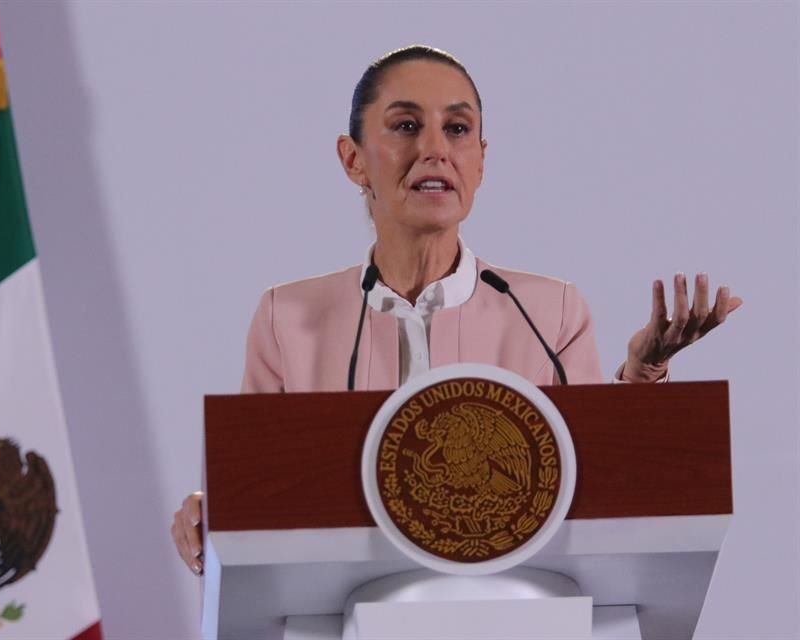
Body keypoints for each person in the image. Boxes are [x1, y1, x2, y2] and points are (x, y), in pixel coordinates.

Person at [170, 45, 742, 575]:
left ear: (480, 162)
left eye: (457, 129)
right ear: (353, 159)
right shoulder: (288, 318)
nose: (435, 150)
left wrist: (643, 377)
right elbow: (261, 492)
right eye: (406, 126)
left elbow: (596, 487)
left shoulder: (549, 314)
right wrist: (214, 511)